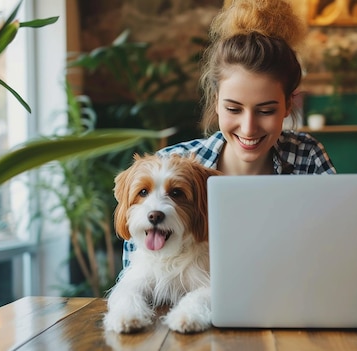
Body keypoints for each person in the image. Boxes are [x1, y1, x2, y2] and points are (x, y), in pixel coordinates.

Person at [121, 0, 336, 269]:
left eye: (266, 111)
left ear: (288, 106)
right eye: (233, 108)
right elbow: (137, 277)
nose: (248, 128)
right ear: (216, 100)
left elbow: (336, 247)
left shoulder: (307, 157)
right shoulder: (165, 168)